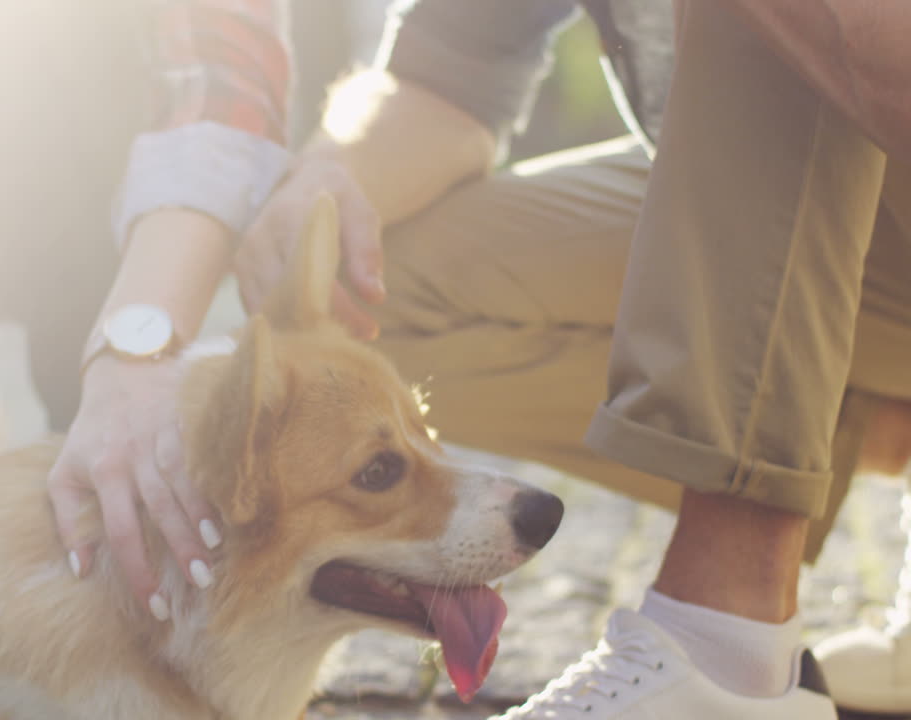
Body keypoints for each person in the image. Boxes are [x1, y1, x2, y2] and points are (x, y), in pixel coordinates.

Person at [49, 0, 911, 717]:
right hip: (841, 249)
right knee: (386, 274)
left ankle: (727, 654)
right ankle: (822, 432)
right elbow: (445, 81)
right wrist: (328, 176)